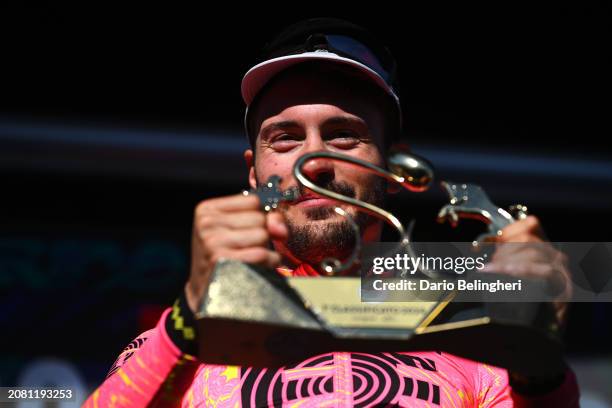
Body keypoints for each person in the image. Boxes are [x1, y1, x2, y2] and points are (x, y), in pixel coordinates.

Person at [84, 18, 579, 407]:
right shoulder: (175, 347)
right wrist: (189, 322)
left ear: (394, 166)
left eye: (344, 134)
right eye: (286, 137)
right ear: (254, 172)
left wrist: (538, 367)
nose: (315, 163)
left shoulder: (476, 346)